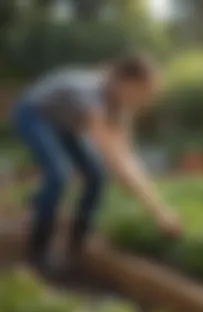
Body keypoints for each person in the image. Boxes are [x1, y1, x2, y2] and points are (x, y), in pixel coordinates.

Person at [12, 54, 183, 277]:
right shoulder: (89, 93)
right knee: (58, 175)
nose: (145, 100)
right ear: (125, 81)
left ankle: (77, 244)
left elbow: (127, 156)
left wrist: (161, 209)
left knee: (96, 175)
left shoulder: (120, 105)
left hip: (65, 123)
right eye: (143, 92)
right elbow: (114, 157)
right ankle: (38, 252)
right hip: (34, 114)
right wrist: (159, 213)